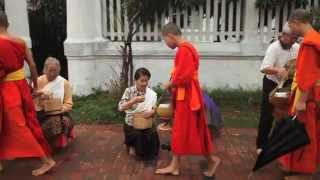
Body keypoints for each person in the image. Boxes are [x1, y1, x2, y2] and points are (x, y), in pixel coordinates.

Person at [155, 23, 221, 177]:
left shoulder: (183, 50)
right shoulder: (187, 48)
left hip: (188, 96)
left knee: (187, 130)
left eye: (165, 41)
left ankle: (211, 160)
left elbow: (183, 77)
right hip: (188, 94)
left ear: (170, 36)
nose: (167, 44)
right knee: (184, 130)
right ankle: (175, 166)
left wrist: (170, 83)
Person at [0, 11, 55, 176]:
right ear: (7, 22)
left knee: (17, 126)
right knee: (24, 122)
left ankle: (47, 161)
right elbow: (32, 65)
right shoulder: (20, 42)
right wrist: (35, 87)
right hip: (21, 86)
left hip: (7, 89)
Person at [279, 9, 320, 179]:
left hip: (308, 96)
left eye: (290, 25)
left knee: (303, 133)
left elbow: (307, 74)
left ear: (296, 22)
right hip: (314, 93)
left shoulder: (309, 43)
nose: (290, 29)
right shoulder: (316, 38)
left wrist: (301, 100)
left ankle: (302, 171)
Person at [257, 23, 300, 155]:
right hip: (271, 83)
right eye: (292, 38)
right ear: (284, 35)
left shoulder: (297, 47)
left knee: (284, 114)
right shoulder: (273, 48)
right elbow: (263, 68)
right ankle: (261, 145)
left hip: (287, 84)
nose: (293, 41)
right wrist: (277, 70)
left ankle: (278, 143)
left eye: (295, 38)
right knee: (267, 114)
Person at [118, 67, 160, 160]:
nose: (145, 84)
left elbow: (155, 107)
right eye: (142, 81)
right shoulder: (129, 91)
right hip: (132, 122)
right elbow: (120, 107)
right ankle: (131, 144)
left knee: (152, 133)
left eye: (146, 81)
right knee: (137, 134)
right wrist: (133, 100)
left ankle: (146, 149)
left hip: (146, 121)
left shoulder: (150, 92)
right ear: (135, 80)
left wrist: (153, 111)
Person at [34, 57, 75, 150]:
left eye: (55, 71)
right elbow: (31, 98)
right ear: (44, 70)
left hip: (59, 113)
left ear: (59, 70)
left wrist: (58, 109)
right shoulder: (38, 81)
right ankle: (42, 142)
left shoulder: (64, 83)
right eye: (50, 71)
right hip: (41, 113)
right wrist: (40, 97)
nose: (52, 73)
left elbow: (68, 103)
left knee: (61, 121)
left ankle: (58, 138)